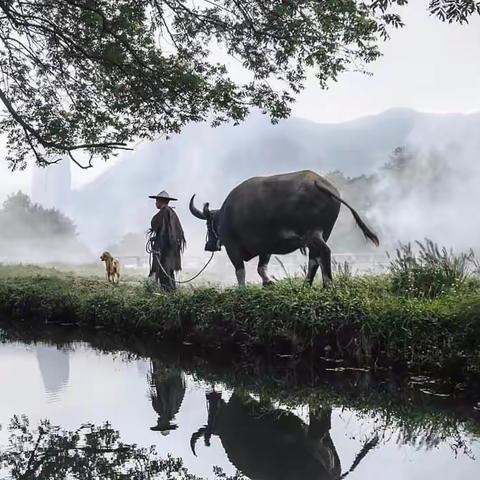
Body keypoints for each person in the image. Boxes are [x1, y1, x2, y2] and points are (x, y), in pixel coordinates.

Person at [148, 190, 186, 290]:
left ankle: (167, 294)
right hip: (169, 249)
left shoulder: (165, 212)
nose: (156, 203)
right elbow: (167, 231)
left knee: (164, 272)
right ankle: (171, 293)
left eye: (157, 201)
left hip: (165, 250)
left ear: (161, 201)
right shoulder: (170, 212)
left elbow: (166, 232)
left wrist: (159, 245)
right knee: (168, 272)